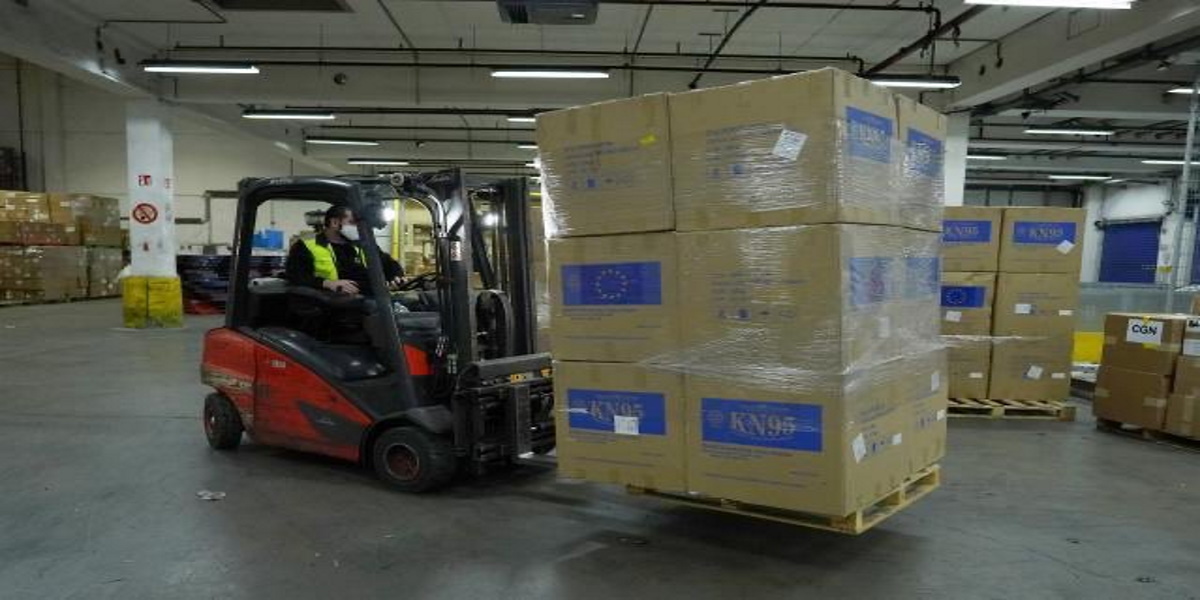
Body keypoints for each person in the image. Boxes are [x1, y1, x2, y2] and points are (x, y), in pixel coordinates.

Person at [285, 205, 404, 295]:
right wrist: (327, 283)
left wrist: (396, 276)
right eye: (352, 223)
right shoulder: (305, 246)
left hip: (364, 304)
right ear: (335, 222)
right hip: (328, 306)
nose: (357, 228)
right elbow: (295, 276)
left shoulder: (362, 245)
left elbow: (389, 264)